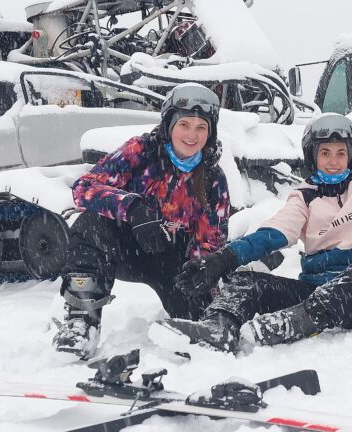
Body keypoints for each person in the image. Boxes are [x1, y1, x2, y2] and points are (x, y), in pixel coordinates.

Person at [156, 57, 352, 353]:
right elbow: (273, 233)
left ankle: (285, 325)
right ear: (313, 156)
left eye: (340, 153)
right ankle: (219, 328)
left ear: (350, 155)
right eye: (325, 153)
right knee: (247, 281)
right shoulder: (304, 196)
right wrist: (222, 260)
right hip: (315, 291)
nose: (334, 162)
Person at [52, 83, 230, 359]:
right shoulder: (141, 152)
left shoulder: (213, 179)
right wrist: (131, 207)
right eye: (184, 124)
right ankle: (81, 321)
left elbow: (209, 243)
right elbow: (83, 188)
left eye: (201, 127)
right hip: (125, 249)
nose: (192, 135)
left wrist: (206, 285)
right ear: (169, 124)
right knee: (90, 223)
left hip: (173, 262)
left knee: (198, 317)